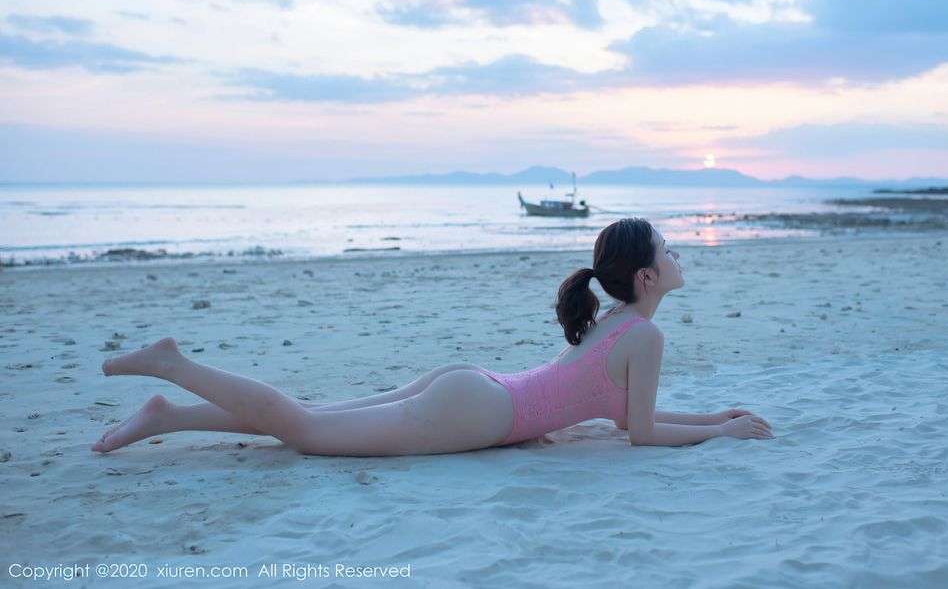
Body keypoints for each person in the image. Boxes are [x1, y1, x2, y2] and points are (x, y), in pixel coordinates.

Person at [92, 217, 774, 457]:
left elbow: (630, 416)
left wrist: (717, 413)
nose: (679, 256)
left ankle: (168, 416)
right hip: (480, 409)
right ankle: (174, 365)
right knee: (306, 429)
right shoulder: (643, 337)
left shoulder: (620, 324)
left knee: (314, 415)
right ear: (649, 276)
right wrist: (721, 432)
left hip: (477, 389)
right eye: (670, 250)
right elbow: (643, 435)